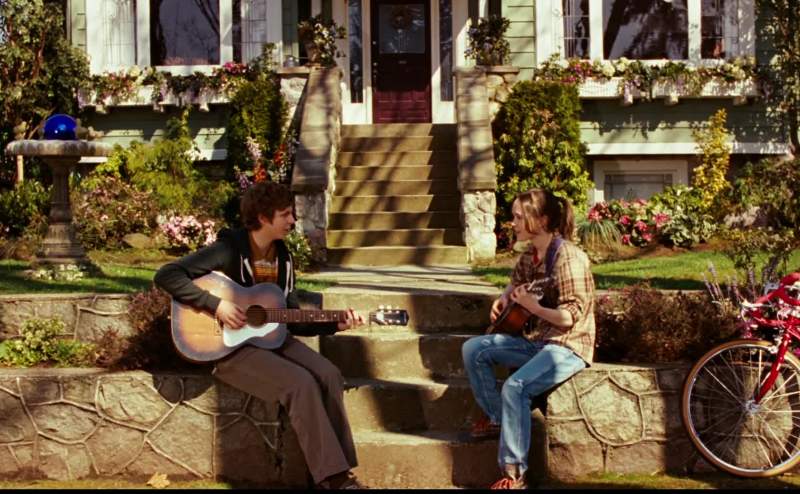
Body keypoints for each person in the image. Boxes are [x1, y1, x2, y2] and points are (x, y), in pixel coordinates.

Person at [154, 181, 365, 489]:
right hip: (230, 347)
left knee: (329, 374)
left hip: (274, 339)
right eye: (286, 214)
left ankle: (339, 470)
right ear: (264, 218)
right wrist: (217, 305)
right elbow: (167, 275)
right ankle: (334, 479)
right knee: (300, 383)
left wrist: (334, 324)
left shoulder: (284, 257)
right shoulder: (229, 249)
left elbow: (291, 317)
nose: (292, 220)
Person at [461, 189, 596, 489]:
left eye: (519, 217)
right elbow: (515, 284)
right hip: (538, 341)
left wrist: (534, 307)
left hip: (569, 345)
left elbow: (569, 318)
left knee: (516, 387)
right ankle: (498, 418)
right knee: (474, 349)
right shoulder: (529, 256)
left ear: (542, 220)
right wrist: (503, 298)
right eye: (514, 217)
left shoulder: (569, 258)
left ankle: (513, 475)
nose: (513, 223)